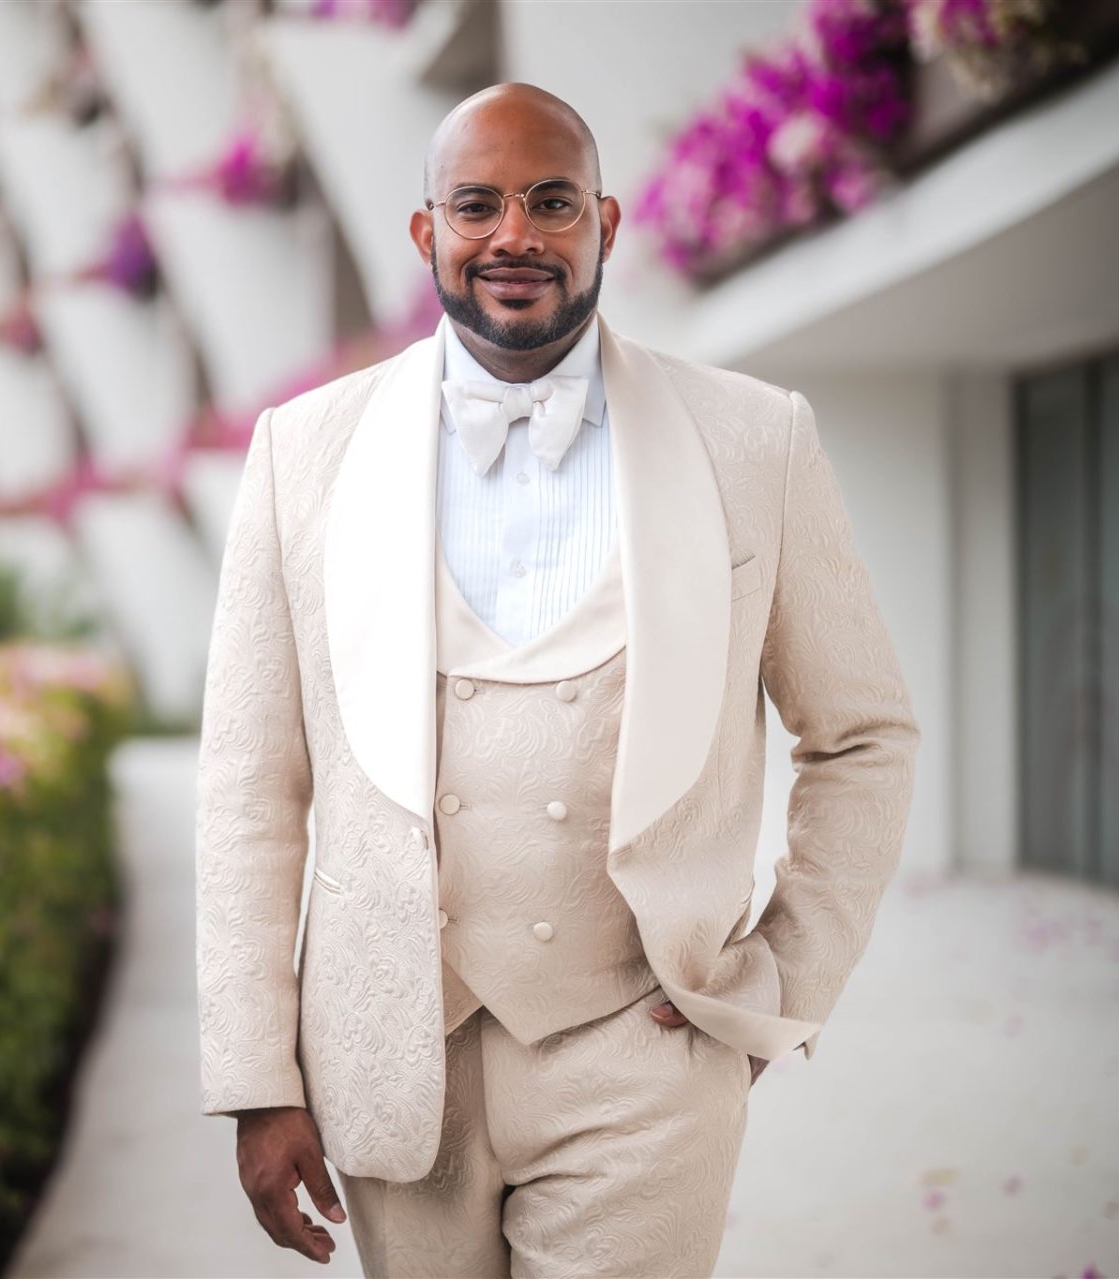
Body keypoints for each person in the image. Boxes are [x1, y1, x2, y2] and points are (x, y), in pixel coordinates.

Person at [193, 82, 920, 1278]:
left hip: (642, 1054)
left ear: (607, 224)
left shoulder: (754, 438)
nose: (514, 236)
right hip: (393, 1059)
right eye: (476, 205)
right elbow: (247, 789)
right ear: (427, 232)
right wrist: (254, 1078)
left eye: (551, 202)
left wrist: (784, 976)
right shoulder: (300, 453)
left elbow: (863, 735)